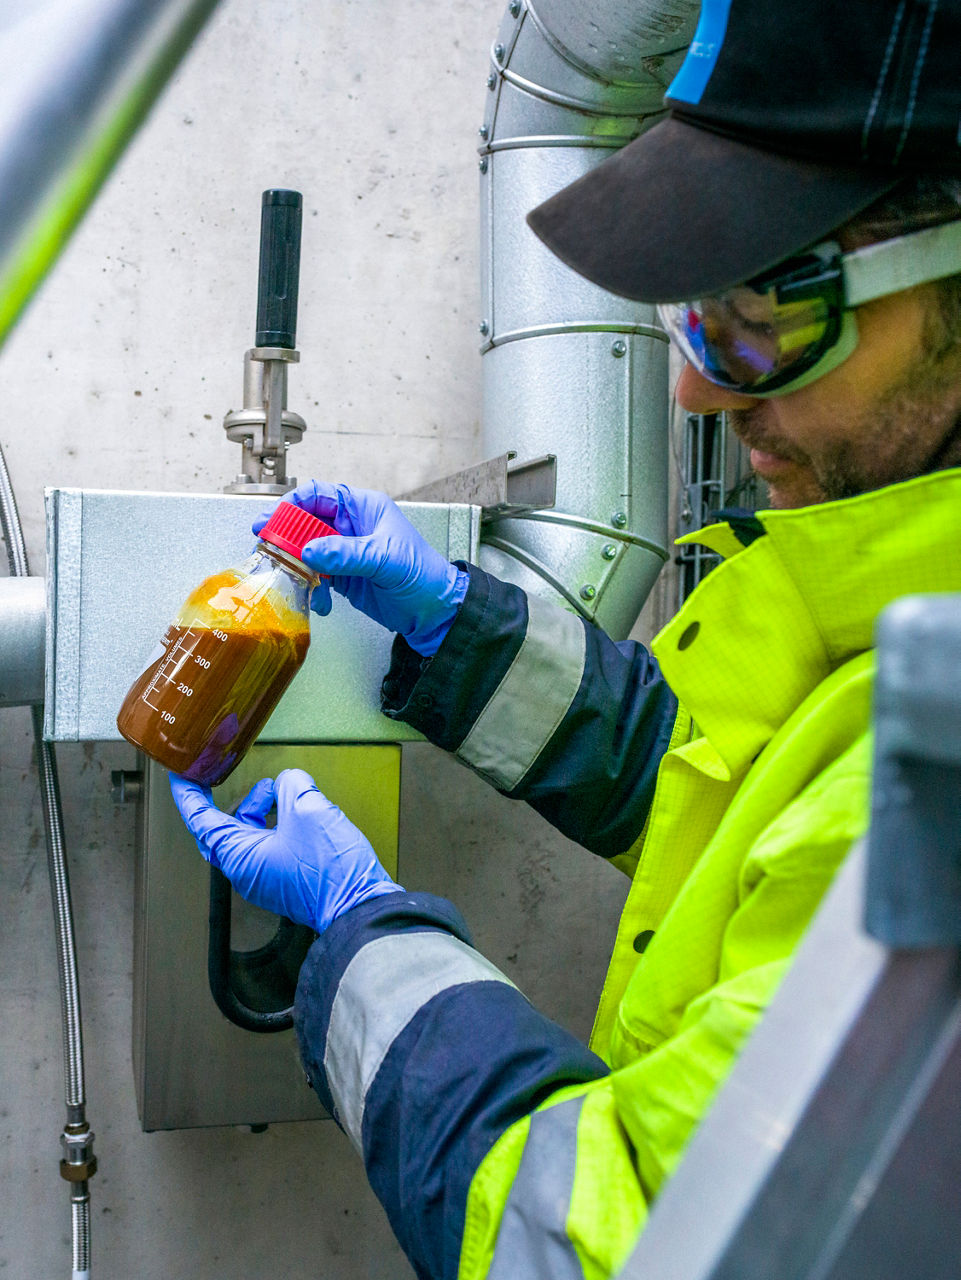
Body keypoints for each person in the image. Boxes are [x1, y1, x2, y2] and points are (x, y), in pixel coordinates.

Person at [171, 2, 961, 1277]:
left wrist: (368, 935)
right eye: (697, 316)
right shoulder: (873, 651)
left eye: (765, 307)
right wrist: (460, 626)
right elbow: (728, 803)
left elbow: (608, 1246)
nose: (697, 387)